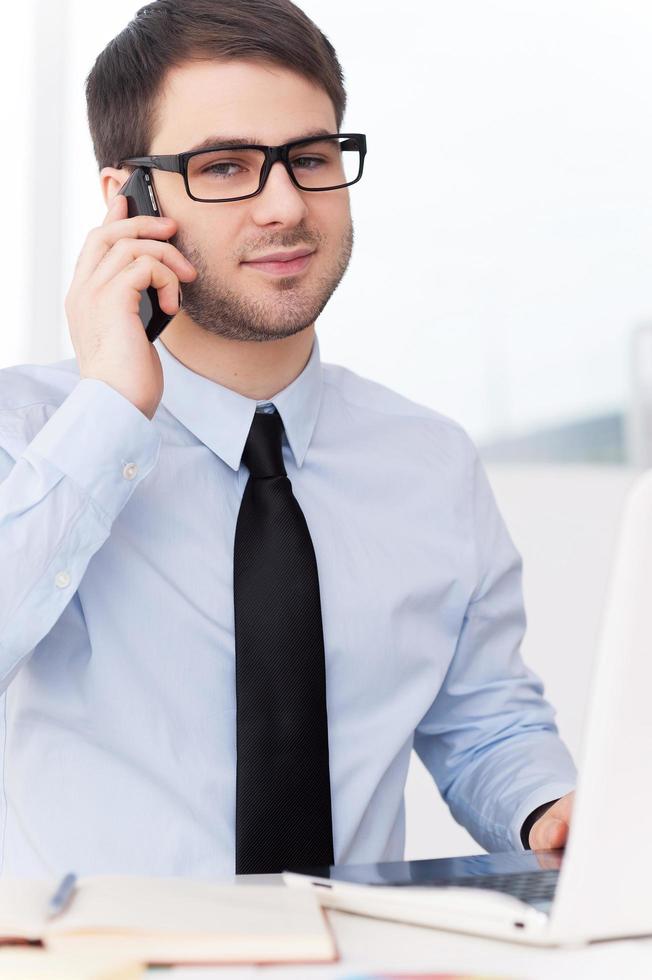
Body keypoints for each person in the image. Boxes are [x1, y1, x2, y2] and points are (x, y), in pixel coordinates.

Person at [0, 0, 576, 878]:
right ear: (130, 199)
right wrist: (111, 405)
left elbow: (484, 722)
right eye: (224, 166)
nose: (284, 206)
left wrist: (547, 812)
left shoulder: (429, 463)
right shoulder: (30, 435)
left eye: (309, 158)